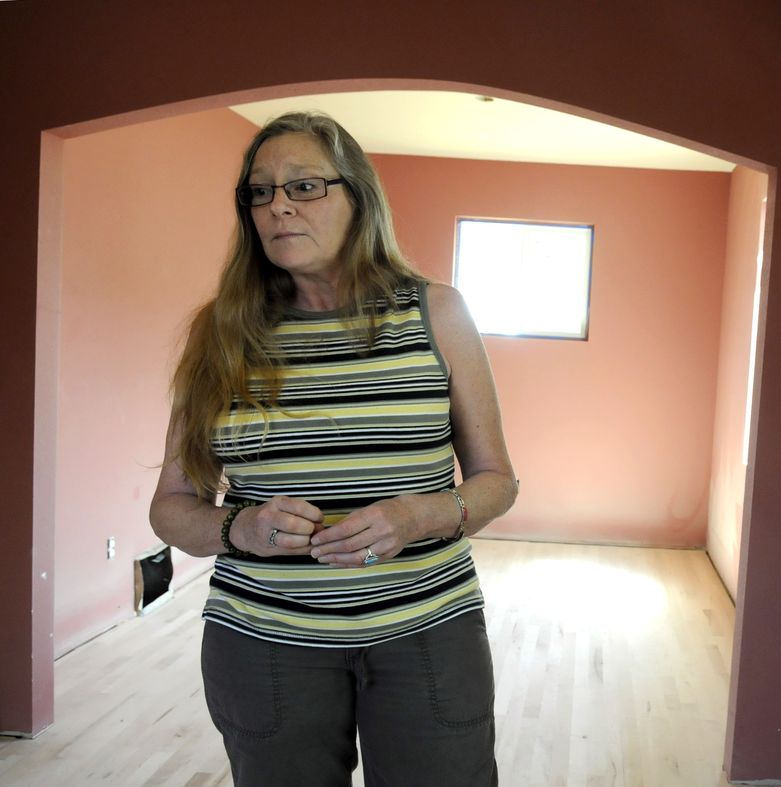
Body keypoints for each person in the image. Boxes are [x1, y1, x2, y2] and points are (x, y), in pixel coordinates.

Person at [149, 111, 518, 786]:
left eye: (303, 186)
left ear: (358, 198)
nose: (277, 205)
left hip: (428, 633)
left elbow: (497, 479)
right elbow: (171, 507)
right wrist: (241, 526)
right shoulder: (220, 333)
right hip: (264, 644)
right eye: (258, 192)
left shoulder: (437, 313)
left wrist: (420, 516)